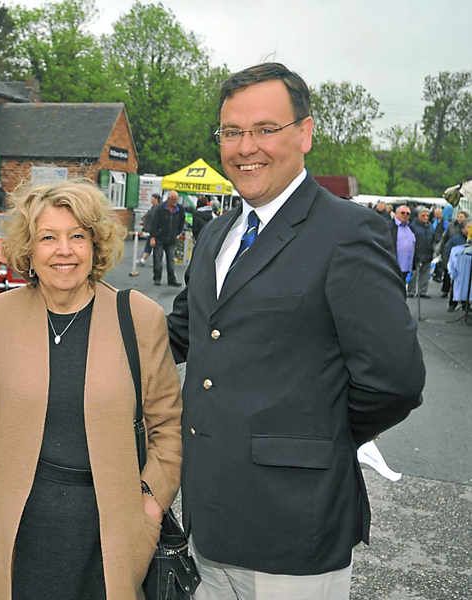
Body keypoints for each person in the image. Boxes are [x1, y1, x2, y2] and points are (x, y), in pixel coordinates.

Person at [166, 63, 425, 599]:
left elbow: (394, 381)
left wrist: (318, 433)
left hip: (294, 530)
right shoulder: (216, 234)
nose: (245, 147)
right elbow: (184, 332)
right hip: (208, 524)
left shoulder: (348, 232)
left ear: (304, 133)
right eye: (232, 132)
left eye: (265, 129)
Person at [0, 180, 182, 600]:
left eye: (77, 236)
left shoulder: (139, 318)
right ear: (29, 249)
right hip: (17, 528)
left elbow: (167, 427)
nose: (64, 251)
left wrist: (149, 509)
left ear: (96, 245)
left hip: (111, 532)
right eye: (48, 237)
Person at [147, 189, 185, 286]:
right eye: (173, 199)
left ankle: (172, 280)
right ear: (168, 199)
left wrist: (177, 233)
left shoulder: (180, 209)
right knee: (158, 260)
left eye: (176, 199)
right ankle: (157, 278)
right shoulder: (160, 208)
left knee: (171, 261)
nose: (175, 202)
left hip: (171, 239)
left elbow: (181, 222)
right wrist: (152, 237)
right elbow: (154, 223)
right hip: (159, 238)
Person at [447, 221, 472, 313]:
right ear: (462, 229)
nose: (470, 229)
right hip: (459, 269)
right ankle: (452, 304)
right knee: (456, 285)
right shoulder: (456, 239)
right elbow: (448, 251)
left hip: (468, 268)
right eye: (468, 227)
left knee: (468, 286)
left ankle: (466, 304)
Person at [409, 208, 435, 297]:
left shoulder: (430, 226)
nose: (425, 217)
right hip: (416, 253)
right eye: (423, 215)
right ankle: (411, 291)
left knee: (425, 274)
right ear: (418, 216)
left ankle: (423, 291)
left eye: (427, 215)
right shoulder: (413, 226)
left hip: (428, 253)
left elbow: (433, 238)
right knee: (414, 274)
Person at [390, 204, 416, 284]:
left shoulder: (411, 227)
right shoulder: (390, 227)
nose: (405, 215)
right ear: (396, 214)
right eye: (402, 213)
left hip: (407, 267)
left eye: (408, 213)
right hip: (393, 266)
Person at [137, 192, 162, 266]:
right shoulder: (153, 207)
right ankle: (143, 260)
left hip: (155, 231)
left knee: (154, 246)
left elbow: (153, 219)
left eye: (152, 198)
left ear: (156, 199)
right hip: (151, 230)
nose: (151, 200)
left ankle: (148, 261)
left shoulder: (157, 208)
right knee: (150, 246)